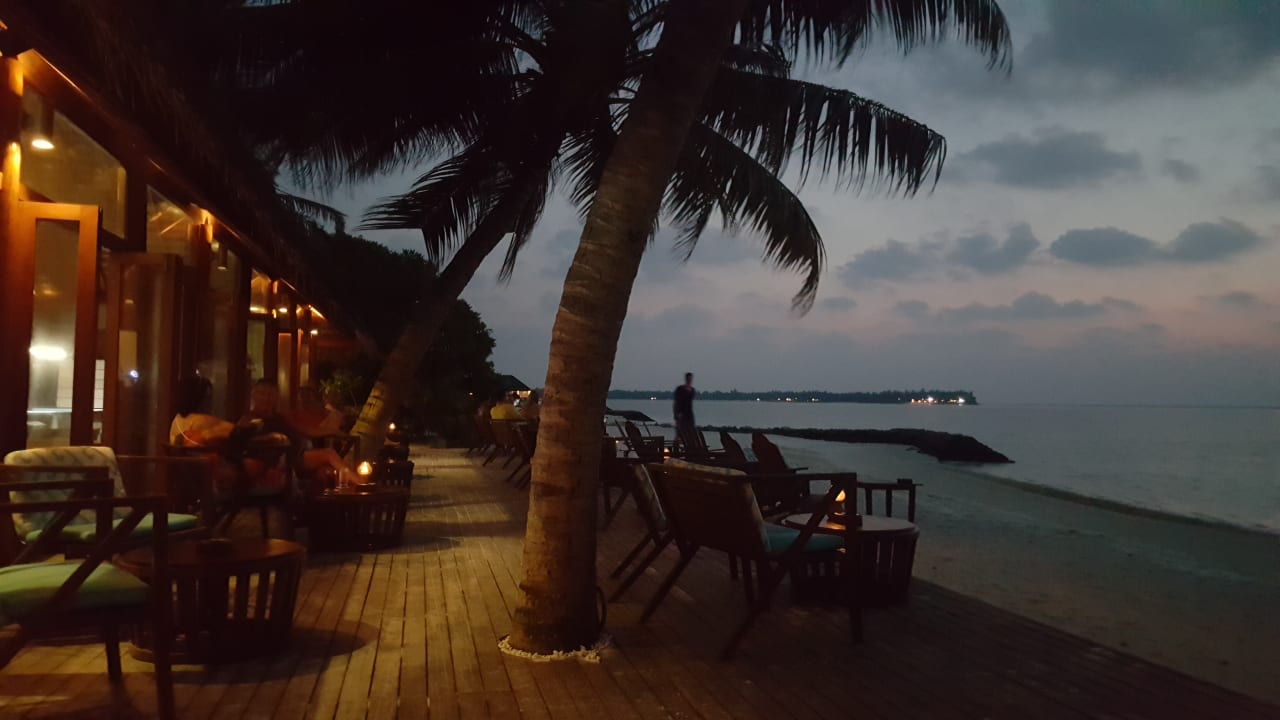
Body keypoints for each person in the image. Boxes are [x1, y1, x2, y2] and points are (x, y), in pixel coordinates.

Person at [170, 376, 236, 447]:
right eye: (207, 397)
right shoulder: (201, 420)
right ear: (196, 398)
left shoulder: (177, 419)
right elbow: (234, 431)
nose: (210, 401)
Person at [673, 372, 697, 439]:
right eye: (688, 379)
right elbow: (676, 402)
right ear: (686, 379)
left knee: (690, 433)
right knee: (679, 433)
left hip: (689, 414)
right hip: (681, 414)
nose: (689, 380)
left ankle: (689, 447)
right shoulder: (680, 389)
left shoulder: (692, 390)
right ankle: (675, 447)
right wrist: (676, 415)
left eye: (690, 379)